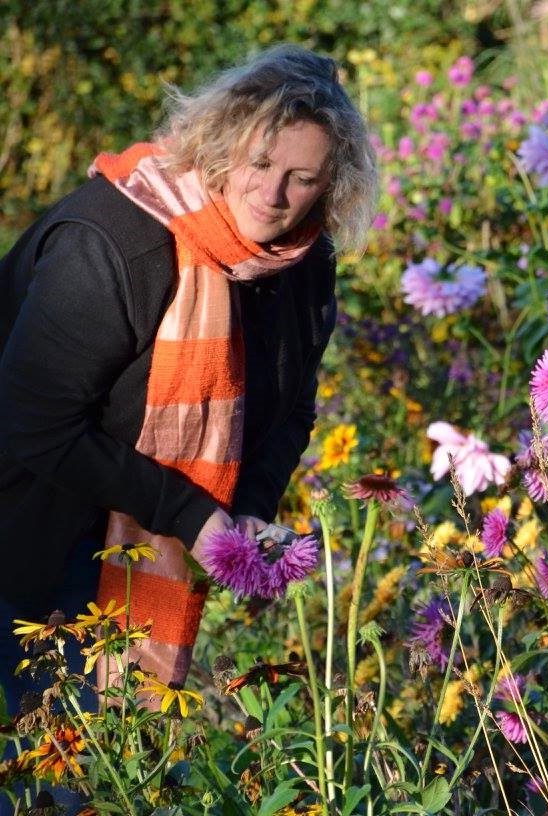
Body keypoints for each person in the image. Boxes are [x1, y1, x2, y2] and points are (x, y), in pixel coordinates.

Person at [0, 43, 376, 746]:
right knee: (55, 771)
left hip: (142, 544)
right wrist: (189, 512)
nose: (272, 196)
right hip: (25, 532)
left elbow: (292, 405)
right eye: (260, 164)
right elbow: (35, 426)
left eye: (301, 178)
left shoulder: (302, 261)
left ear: (331, 185)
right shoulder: (110, 245)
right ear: (220, 143)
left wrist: (248, 518)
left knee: (121, 761)